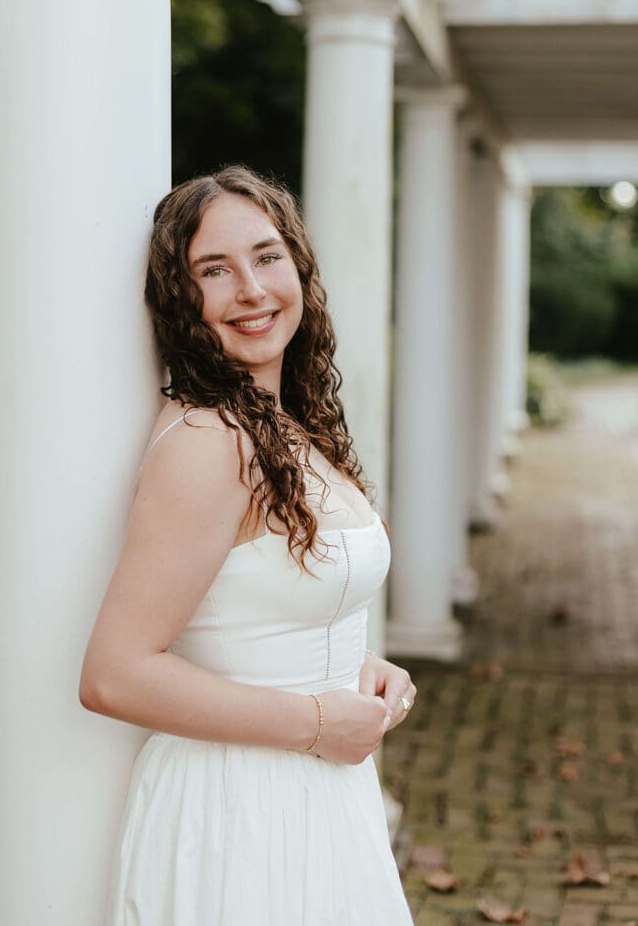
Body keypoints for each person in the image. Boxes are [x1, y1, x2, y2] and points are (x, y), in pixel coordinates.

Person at [79, 165, 417, 925]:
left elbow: (250, 612)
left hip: (320, 799)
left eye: (267, 257)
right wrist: (322, 723)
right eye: (214, 271)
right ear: (181, 300)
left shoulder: (292, 421)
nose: (252, 290)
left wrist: (354, 667)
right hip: (238, 817)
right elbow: (115, 675)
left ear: (298, 263)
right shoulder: (208, 440)